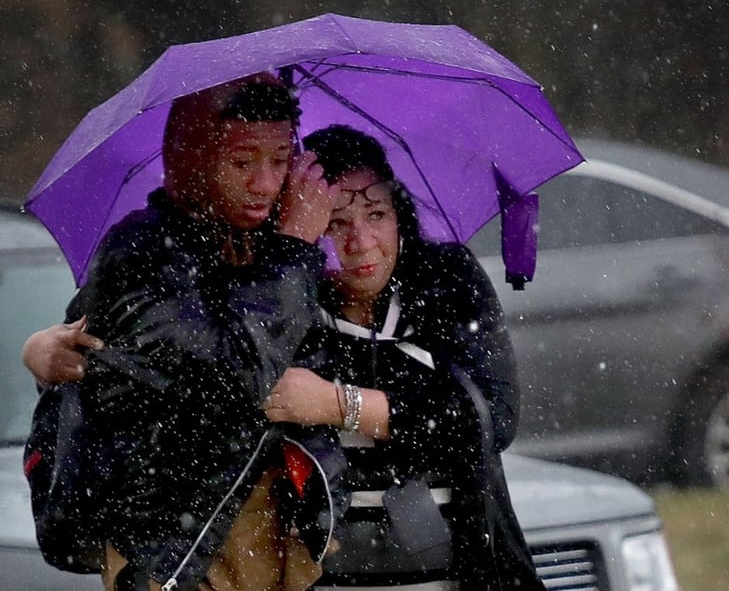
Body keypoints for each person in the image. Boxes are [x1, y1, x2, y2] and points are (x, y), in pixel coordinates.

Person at [26, 124, 545, 589]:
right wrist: (42, 353)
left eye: (377, 214)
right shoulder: (277, 299)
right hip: (313, 569)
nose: (361, 242)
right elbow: (175, 368)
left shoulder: (446, 280)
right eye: (336, 222)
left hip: (462, 563)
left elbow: (492, 417)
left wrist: (340, 404)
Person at [23, 73, 342, 591]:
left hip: (277, 537)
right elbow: (234, 380)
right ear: (193, 155)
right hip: (177, 552)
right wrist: (293, 250)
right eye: (242, 162)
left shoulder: (270, 244)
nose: (264, 183)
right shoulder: (141, 252)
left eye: (281, 161)